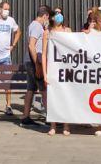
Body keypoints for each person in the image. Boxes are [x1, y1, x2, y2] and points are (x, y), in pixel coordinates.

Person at [20, 5, 51, 126]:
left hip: (30, 61)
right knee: (44, 89)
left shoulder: (33, 25)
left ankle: (25, 116)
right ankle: (51, 117)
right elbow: (31, 45)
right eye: (48, 17)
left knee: (30, 89)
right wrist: (37, 65)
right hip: (34, 62)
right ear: (45, 16)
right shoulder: (37, 26)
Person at [45, 8, 71, 136]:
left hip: (65, 69)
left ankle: (66, 125)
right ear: (52, 17)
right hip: (53, 69)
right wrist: (44, 73)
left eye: (60, 13)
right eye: (56, 14)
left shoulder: (67, 31)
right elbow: (44, 54)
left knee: (66, 96)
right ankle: (53, 125)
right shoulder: (48, 32)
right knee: (53, 98)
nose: (58, 16)